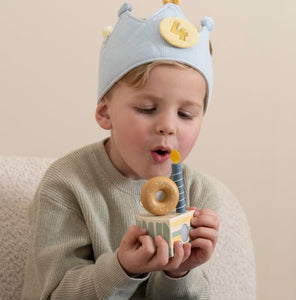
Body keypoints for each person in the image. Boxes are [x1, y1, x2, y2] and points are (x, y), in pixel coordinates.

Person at [22, 1, 220, 299]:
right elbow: (53, 293)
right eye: (147, 108)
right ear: (105, 113)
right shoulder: (66, 185)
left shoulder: (197, 193)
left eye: (185, 115)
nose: (167, 126)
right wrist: (123, 269)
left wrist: (179, 273)